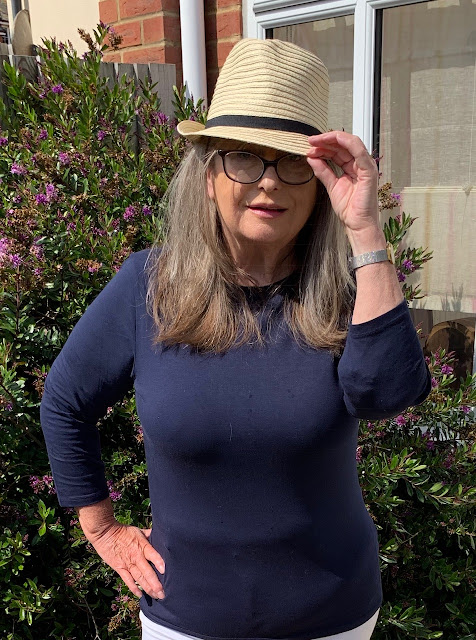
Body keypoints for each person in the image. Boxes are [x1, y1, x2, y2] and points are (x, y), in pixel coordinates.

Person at [40, 38, 431, 640]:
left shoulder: (349, 293)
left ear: (319, 187)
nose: (269, 183)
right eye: (244, 158)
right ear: (208, 176)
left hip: (332, 617)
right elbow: (65, 401)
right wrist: (103, 530)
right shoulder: (148, 285)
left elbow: (387, 396)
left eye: (292, 162)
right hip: (184, 618)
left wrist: (366, 230)